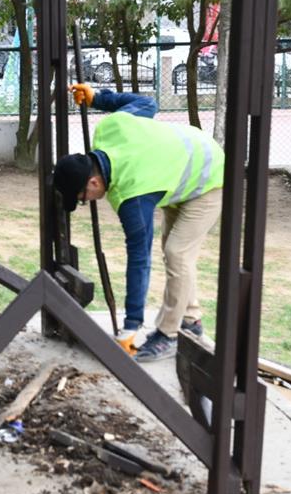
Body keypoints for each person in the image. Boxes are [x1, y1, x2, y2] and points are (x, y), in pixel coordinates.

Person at [52, 83, 224, 362]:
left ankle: (168, 336)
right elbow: (146, 104)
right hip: (177, 171)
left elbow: (139, 259)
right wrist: (99, 98)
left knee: (177, 253)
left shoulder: (133, 195)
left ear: (94, 182)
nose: (89, 201)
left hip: (208, 177)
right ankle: (190, 320)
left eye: (84, 197)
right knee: (175, 249)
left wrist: (131, 325)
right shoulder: (109, 129)